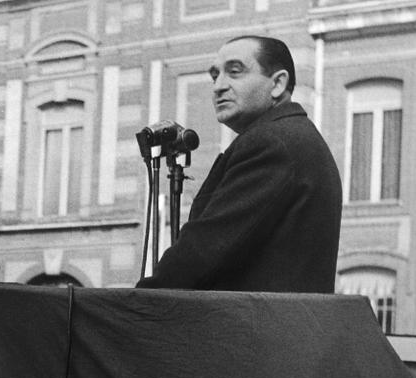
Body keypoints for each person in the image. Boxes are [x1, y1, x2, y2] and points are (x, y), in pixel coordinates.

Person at [137, 35, 341, 292]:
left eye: (235, 72)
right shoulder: (290, 136)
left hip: (255, 328)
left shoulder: (270, 143)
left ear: (277, 84)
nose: (218, 86)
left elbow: (204, 251)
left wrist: (133, 305)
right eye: (215, 76)